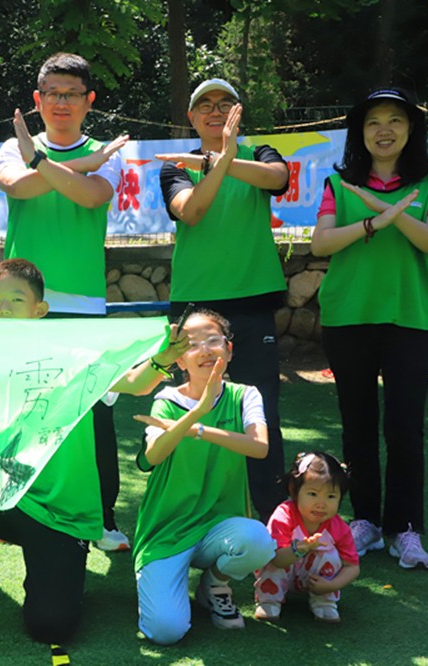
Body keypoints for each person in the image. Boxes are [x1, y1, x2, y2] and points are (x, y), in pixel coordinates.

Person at [0, 258, 187, 645]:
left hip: (60, 514)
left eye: (17, 299)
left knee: (50, 627)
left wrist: (162, 360)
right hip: (1, 497)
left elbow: (135, 383)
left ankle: (54, 573)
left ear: (40, 310)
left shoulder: (73, 354)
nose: (6, 308)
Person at [0, 52, 131, 552]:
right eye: (52, 93)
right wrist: (68, 166)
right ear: (37, 99)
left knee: (93, 416)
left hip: (82, 302)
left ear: (89, 100)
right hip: (20, 303)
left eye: (72, 94)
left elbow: (91, 196)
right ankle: (24, 511)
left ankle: (103, 518)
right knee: (25, 412)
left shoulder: (106, 151)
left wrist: (45, 163)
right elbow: (18, 186)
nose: (61, 102)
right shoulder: (13, 147)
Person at [311, 86, 428, 571]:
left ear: (410, 130)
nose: (383, 130)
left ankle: (405, 528)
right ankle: (366, 519)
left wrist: (392, 213)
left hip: (412, 317)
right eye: (373, 121)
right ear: (360, 133)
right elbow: (321, 243)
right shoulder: (338, 184)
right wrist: (374, 220)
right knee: (358, 424)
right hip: (348, 317)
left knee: (405, 427)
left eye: (395, 120)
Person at [156, 78, 289, 523]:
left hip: (252, 302)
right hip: (195, 308)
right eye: (205, 105)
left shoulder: (260, 153)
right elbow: (191, 210)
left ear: (238, 113)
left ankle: (270, 518)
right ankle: (192, 513)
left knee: (261, 413)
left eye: (224, 103)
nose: (215, 111)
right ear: (192, 117)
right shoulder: (177, 167)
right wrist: (221, 161)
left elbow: (277, 178)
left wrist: (224, 157)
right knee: (191, 409)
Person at [132, 309, 275, 645]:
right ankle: (169, 577)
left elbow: (259, 447)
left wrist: (197, 428)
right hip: (167, 530)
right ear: (180, 360)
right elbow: (151, 458)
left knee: (258, 541)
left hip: (219, 527)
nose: (205, 350)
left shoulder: (245, 396)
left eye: (213, 341)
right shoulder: (166, 401)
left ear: (229, 350)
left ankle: (214, 584)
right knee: (165, 631)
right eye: (193, 345)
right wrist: (194, 413)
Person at [254, 451, 360, 623]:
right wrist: (297, 550)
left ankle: (323, 601)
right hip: (282, 569)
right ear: (294, 491)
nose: (321, 504)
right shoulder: (284, 515)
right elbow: (276, 560)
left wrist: (332, 585)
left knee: (330, 554)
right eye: (312, 494)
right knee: (270, 553)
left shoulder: (338, 527)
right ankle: (269, 599)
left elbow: (352, 566)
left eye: (331, 496)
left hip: (316, 581)